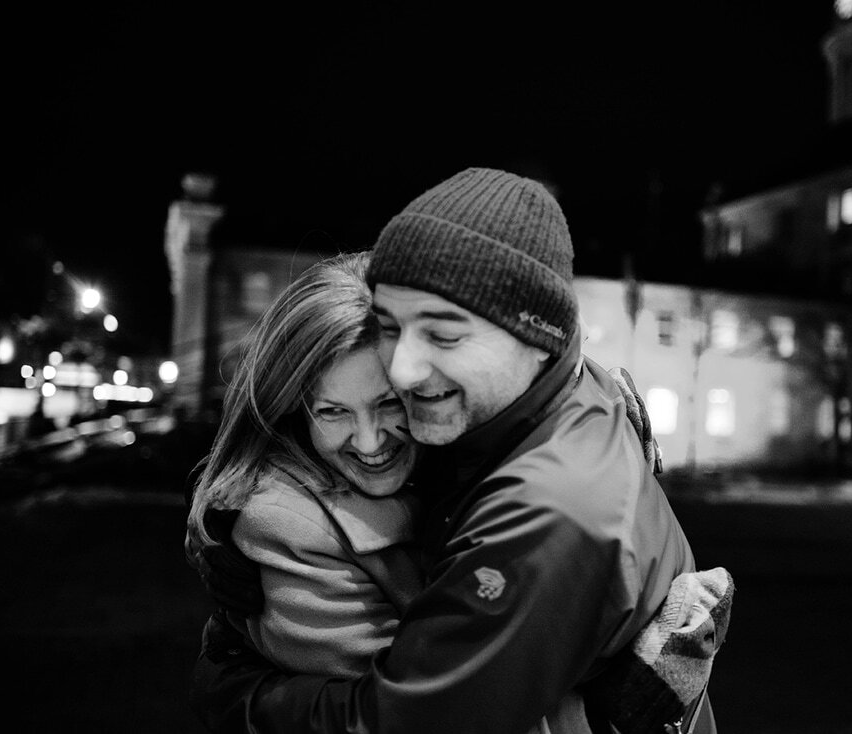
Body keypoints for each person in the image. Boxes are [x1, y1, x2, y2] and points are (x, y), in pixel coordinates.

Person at [189, 167, 725, 733]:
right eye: (398, 327)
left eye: (444, 335)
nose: (409, 368)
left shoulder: (543, 510)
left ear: (533, 337)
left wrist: (239, 694)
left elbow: (409, 720)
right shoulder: (533, 405)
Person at [186, 251, 425, 677]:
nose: (370, 441)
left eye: (390, 403)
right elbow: (430, 700)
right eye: (333, 412)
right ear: (295, 409)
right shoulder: (286, 528)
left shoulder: (482, 461)